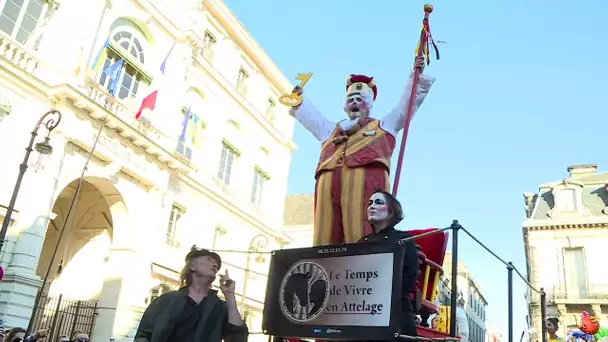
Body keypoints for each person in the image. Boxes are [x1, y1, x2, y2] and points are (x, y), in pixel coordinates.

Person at [289, 57, 435, 246]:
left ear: (369, 104)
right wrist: (299, 100)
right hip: (327, 188)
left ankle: (364, 266)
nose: (355, 103)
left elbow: (405, 107)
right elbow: (312, 118)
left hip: (365, 188)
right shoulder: (329, 129)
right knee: (325, 238)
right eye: (351, 100)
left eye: (359, 99)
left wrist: (415, 78)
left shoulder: (384, 125)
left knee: (362, 232)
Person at [134, 246, 248, 342]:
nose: (215, 264)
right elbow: (143, 335)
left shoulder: (220, 307)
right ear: (193, 266)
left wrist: (230, 295)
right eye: (209, 259)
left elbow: (238, 337)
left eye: (217, 265)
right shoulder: (166, 300)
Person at [359, 189, 420, 337]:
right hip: (363, 310)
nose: (372, 206)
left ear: (391, 210)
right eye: (370, 203)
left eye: (378, 202)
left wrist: (383, 292)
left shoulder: (404, 239)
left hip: (394, 307)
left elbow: (410, 275)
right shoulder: (361, 243)